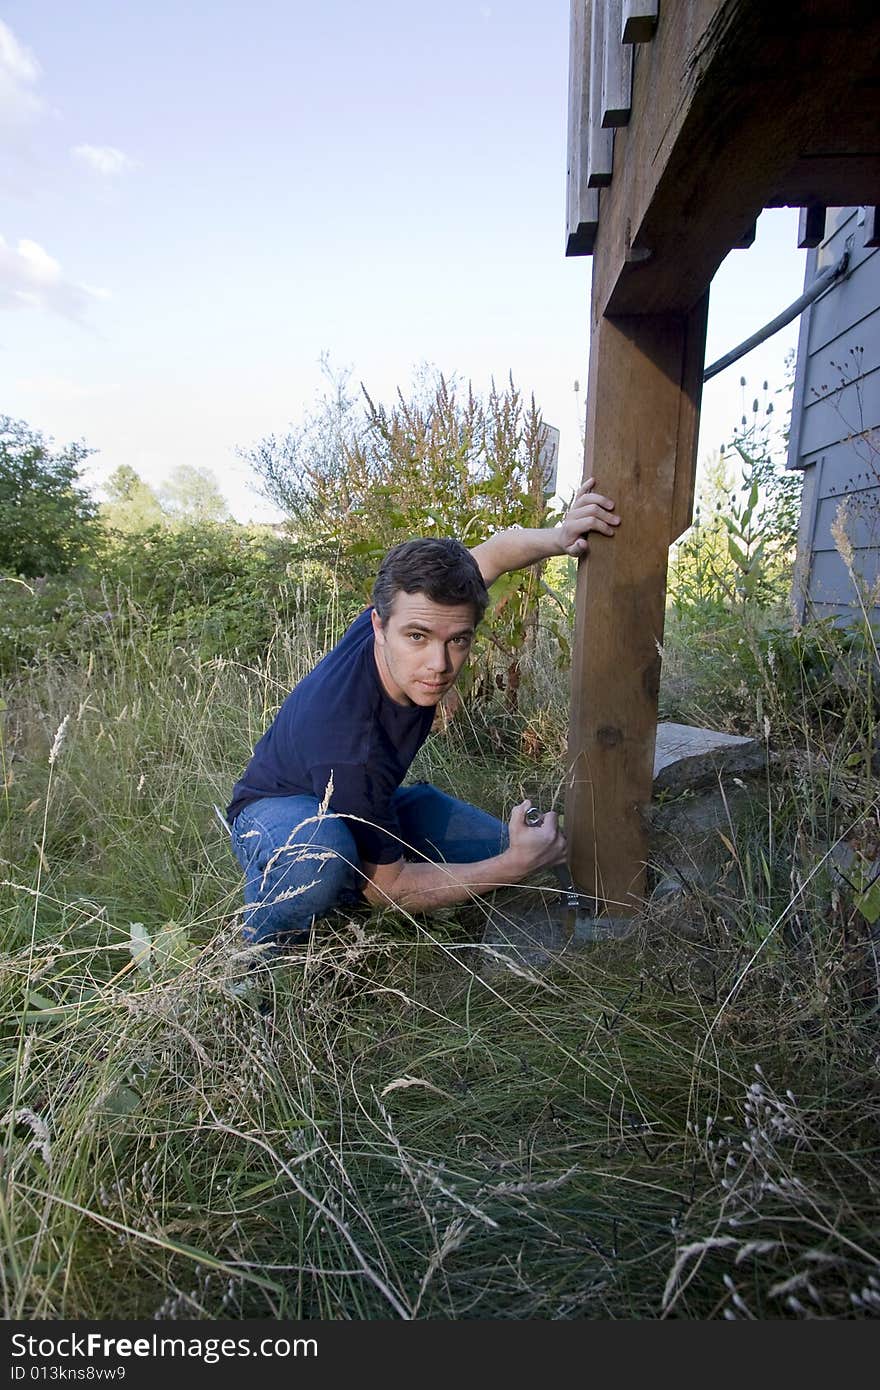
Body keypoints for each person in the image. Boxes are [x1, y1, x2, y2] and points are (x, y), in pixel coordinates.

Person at [226, 478, 621, 949]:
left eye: (458, 640)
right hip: (276, 813)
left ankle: (364, 848)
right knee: (321, 862)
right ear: (378, 624)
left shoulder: (415, 605)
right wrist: (511, 867)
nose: (439, 665)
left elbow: (493, 552)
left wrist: (560, 537)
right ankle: (258, 959)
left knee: (503, 851)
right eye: (417, 638)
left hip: (370, 799)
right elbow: (386, 890)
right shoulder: (348, 740)